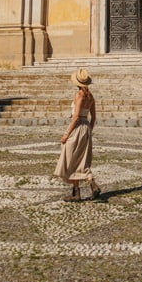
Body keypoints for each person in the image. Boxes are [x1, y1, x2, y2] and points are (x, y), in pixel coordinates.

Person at [54, 67, 101, 202]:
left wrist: (66, 134)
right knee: (79, 159)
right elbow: (94, 117)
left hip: (78, 127)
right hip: (86, 127)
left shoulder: (79, 95)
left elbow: (75, 117)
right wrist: (89, 131)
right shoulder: (90, 96)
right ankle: (77, 192)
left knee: (70, 156)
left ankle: (91, 184)